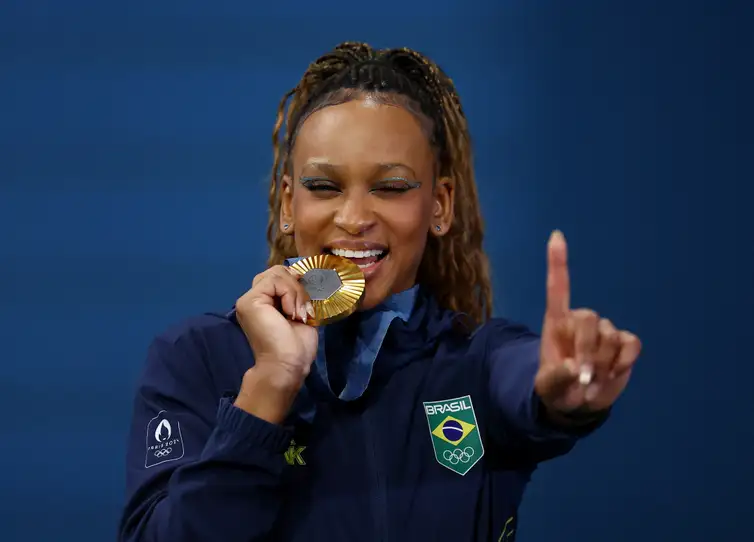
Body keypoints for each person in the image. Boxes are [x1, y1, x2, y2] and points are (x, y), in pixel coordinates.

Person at [119, 42, 641, 542]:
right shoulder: (197, 359)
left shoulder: (476, 367)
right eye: (324, 187)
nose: (354, 218)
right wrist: (269, 388)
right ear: (286, 203)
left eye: (391, 188)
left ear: (439, 205)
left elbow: (525, 378)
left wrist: (561, 394)